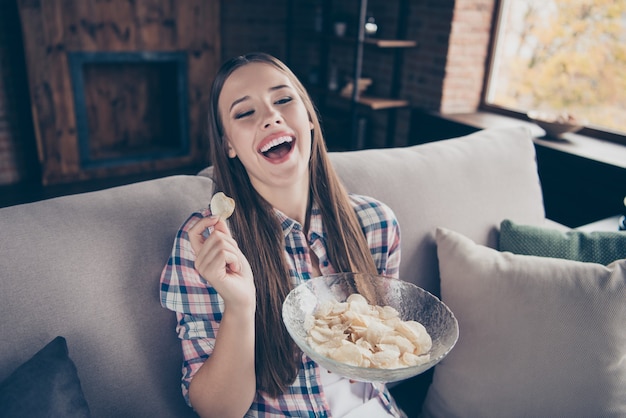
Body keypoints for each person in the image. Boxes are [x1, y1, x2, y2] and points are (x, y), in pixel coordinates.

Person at [160, 52, 403, 417]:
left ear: (309, 118)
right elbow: (217, 411)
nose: (270, 116)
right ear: (228, 145)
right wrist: (240, 306)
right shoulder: (209, 243)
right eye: (244, 112)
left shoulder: (376, 223)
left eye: (284, 100)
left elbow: (392, 351)